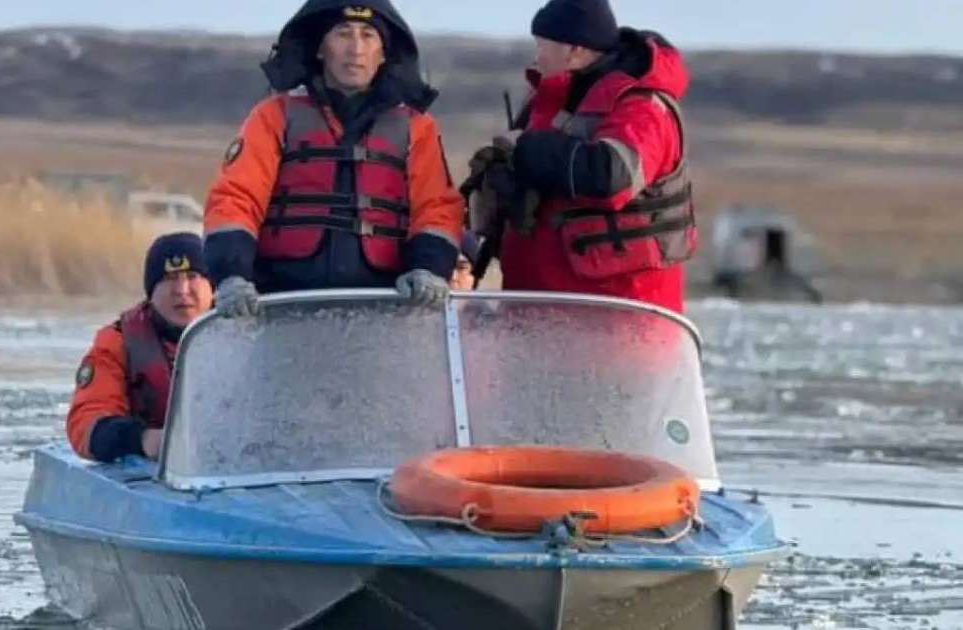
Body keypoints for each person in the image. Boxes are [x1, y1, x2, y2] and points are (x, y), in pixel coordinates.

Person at [202, 0, 466, 317]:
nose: (355, 48)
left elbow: (437, 206)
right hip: (282, 309)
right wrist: (231, 275)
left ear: (384, 53)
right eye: (343, 33)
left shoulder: (416, 128)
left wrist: (430, 268)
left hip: (384, 313)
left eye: (368, 35)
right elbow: (235, 197)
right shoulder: (274, 116)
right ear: (319, 48)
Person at [469, 0, 698, 313]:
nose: (537, 57)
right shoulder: (545, 101)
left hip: (623, 326)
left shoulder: (642, 107)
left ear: (573, 50)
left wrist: (533, 151)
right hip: (537, 320)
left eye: (542, 46)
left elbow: (614, 175)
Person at [66, 233, 214, 463]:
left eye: (192, 276)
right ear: (151, 293)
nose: (182, 290)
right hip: (154, 470)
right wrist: (142, 440)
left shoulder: (247, 335)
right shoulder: (117, 343)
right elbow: (85, 425)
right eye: (169, 279)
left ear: (211, 286)